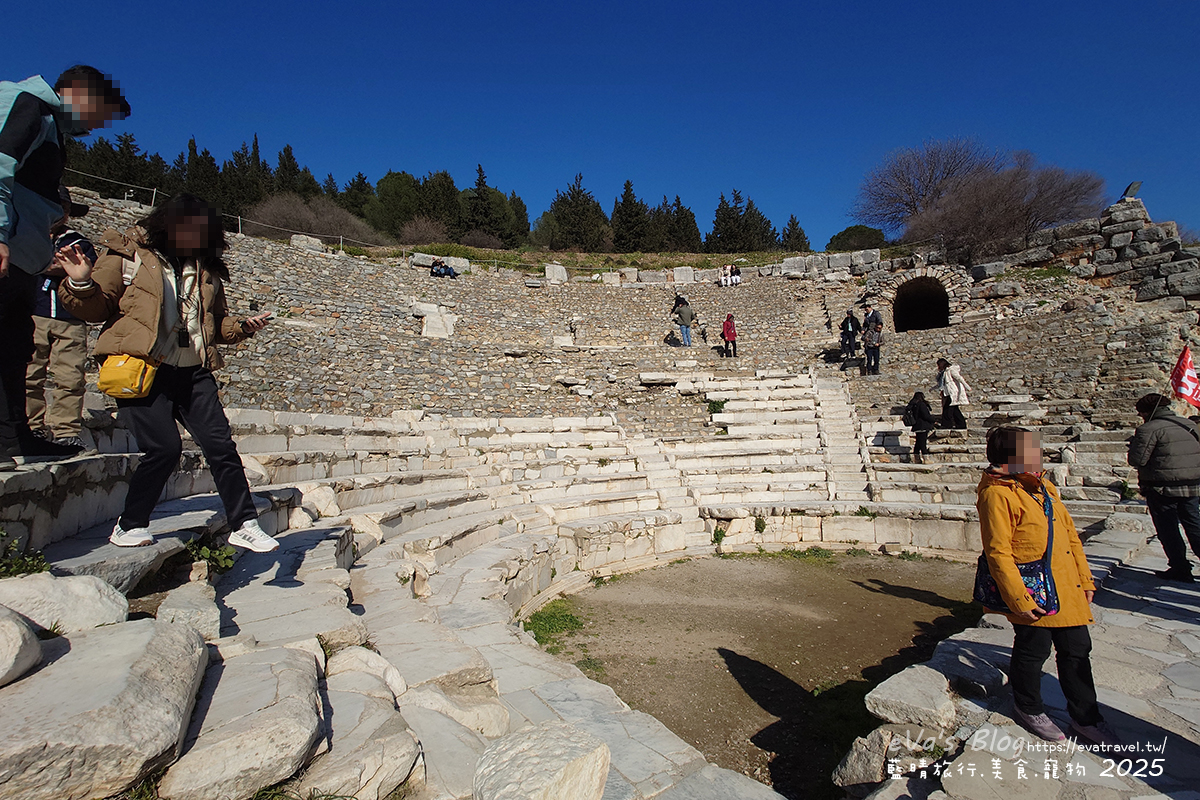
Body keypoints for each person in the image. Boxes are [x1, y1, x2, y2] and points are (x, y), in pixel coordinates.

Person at [57, 193, 279, 552]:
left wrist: (243, 326)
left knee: (221, 446)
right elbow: (97, 308)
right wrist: (81, 282)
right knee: (164, 449)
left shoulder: (205, 270)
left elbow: (215, 325)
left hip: (192, 371)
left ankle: (244, 523)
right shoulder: (129, 255)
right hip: (142, 370)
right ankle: (129, 525)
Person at [1, 65, 129, 470]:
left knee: (13, 348)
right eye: (98, 115)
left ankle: (12, 438)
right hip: (10, 249)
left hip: (25, 260)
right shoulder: (29, 106)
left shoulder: (49, 127)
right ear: (79, 94)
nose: (95, 127)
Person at [978, 426, 1117, 747]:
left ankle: (1087, 718)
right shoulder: (996, 494)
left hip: (1065, 585)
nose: (1039, 453)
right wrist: (1017, 598)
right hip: (1033, 590)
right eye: (1030, 449)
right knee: (1032, 650)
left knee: (1077, 649)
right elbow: (997, 550)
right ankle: (1028, 707)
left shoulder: (1045, 488)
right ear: (1010, 457)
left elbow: (1070, 536)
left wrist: (1084, 578)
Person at [26, 187, 94, 448]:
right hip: (35, 311)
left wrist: (45, 263)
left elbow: (81, 267)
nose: (62, 214)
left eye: (65, 209)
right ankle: (32, 427)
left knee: (70, 377)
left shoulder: (77, 240)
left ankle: (65, 430)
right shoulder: (30, 233)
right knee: (30, 372)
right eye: (58, 207)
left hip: (71, 316)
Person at [1127, 393, 1200, 582]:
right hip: (1193, 486)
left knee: (1168, 530)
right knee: (1194, 526)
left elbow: (1137, 460)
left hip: (1161, 488)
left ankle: (1180, 568)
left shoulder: (1148, 429)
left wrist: (1133, 445)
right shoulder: (1190, 425)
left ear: (1146, 412)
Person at [936, 357, 970, 430]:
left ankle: (946, 425)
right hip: (948, 393)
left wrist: (967, 386)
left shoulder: (951, 370)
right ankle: (961, 424)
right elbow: (943, 384)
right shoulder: (944, 372)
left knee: (947, 410)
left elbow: (959, 378)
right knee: (954, 410)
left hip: (952, 393)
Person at [905, 391, 936, 463]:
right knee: (922, 443)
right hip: (923, 426)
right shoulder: (921, 404)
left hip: (917, 426)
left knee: (918, 443)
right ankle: (926, 459)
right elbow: (925, 416)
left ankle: (917, 458)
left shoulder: (913, 405)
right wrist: (933, 420)